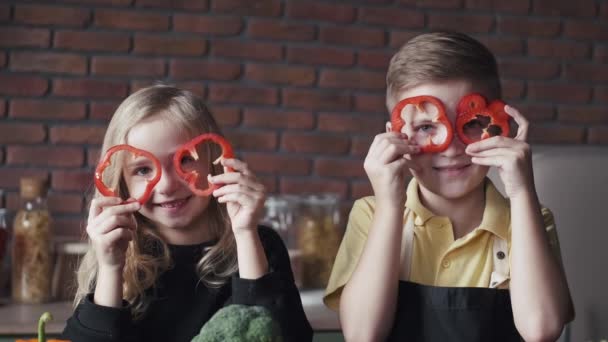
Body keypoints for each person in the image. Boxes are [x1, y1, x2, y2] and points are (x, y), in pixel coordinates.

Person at [324, 31, 574, 342]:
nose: (452, 147)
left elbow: (542, 329)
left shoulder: (530, 219)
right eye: (427, 126)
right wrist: (390, 205)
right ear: (394, 137)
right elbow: (362, 334)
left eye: (471, 124)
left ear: (500, 126)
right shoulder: (371, 213)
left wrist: (521, 192)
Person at [62, 85, 313, 342]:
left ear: (215, 159)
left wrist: (245, 234)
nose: (167, 185)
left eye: (185, 160)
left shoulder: (261, 245)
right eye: (142, 170)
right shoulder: (120, 251)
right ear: (122, 181)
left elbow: (280, 334)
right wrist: (111, 267)